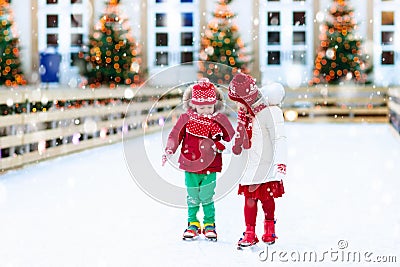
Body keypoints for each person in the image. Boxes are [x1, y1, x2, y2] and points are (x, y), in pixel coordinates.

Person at [162, 78, 235, 241]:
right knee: (193, 195)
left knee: (208, 195)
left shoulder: (219, 119)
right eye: (202, 107)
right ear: (194, 105)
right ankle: (192, 223)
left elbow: (231, 137)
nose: (206, 111)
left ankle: (209, 223)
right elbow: (175, 134)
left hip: (212, 165)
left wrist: (223, 142)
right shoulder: (186, 119)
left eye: (210, 107)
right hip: (190, 164)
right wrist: (169, 149)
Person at [228, 73, 287, 248]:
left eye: (238, 102)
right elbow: (240, 139)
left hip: (267, 164)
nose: (237, 106)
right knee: (249, 200)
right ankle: (250, 232)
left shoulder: (271, 113)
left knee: (267, 199)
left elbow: (280, 138)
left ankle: (269, 228)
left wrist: (281, 161)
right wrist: (236, 145)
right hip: (250, 166)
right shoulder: (244, 116)